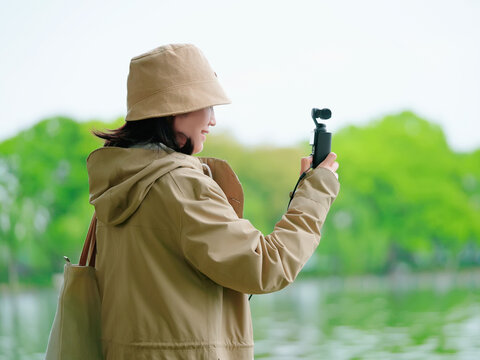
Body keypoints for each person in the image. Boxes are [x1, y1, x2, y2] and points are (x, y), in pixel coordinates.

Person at [87, 43, 340, 360]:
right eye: (207, 106)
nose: (213, 120)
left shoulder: (117, 186)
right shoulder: (179, 185)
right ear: (176, 108)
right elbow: (267, 266)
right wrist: (315, 190)